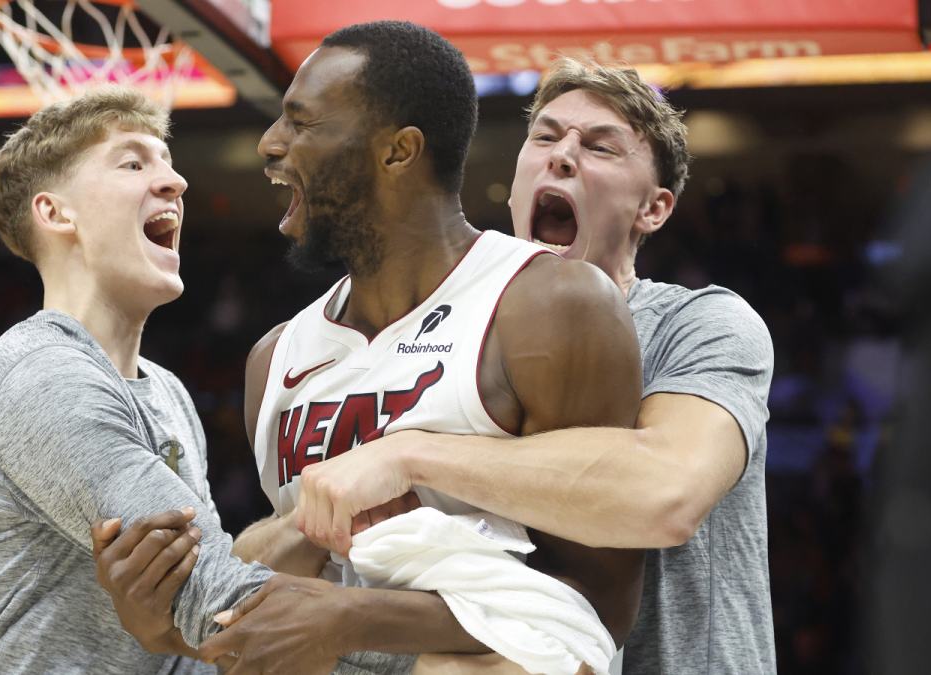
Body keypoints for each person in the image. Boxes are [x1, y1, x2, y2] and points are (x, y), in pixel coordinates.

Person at [92, 22, 646, 674]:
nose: (271, 143)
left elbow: (600, 610)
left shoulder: (548, 306)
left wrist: (355, 619)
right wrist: (163, 618)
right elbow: (287, 609)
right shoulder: (274, 358)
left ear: (398, 152)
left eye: (301, 122)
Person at [0, 86, 472, 675]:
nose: (176, 182)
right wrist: (455, 661)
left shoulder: (166, 392)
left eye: (168, 163)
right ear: (56, 213)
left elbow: (195, 637)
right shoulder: (42, 373)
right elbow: (218, 603)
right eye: (133, 163)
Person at [292, 58, 776, 674]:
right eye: (544, 137)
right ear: (516, 183)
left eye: (600, 147)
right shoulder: (453, 333)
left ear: (653, 209)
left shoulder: (702, 324)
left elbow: (666, 493)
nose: (563, 155)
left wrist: (407, 454)